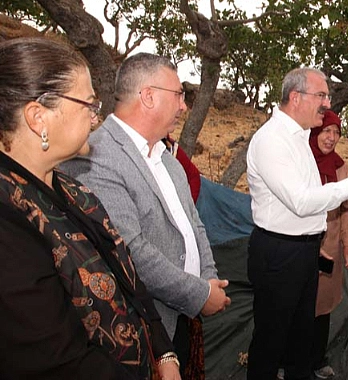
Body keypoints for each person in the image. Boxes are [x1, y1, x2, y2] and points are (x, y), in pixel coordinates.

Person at [0, 37, 179, 379]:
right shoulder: (7, 213)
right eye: (88, 105)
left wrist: (164, 349)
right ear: (38, 117)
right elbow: (56, 358)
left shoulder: (73, 189)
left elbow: (128, 277)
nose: (96, 119)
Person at [60, 52, 231, 376]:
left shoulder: (168, 160)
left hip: (181, 318)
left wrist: (208, 278)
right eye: (178, 95)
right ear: (148, 96)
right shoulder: (97, 158)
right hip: (138, 330)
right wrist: (200, 293)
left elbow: (195, 225)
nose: (183, 106)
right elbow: (130, 252)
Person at [245, 67, 348, 380]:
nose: (327, 102)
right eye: (321, 95)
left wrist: (317, 246)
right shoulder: (272, 140)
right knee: (271, 345)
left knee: (300, 342)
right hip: (279, 253)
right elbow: (302, 202)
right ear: (296, 97)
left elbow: (313, 203)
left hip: (303, 252)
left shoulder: (298, 138)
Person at [311, 110, 348, 379]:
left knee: (323, 307)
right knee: (298, 305)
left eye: (336, 132)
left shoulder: (340, 167)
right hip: (303, 246)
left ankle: (316, 361)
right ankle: (286, 362)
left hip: (329, 250)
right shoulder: (302, 160)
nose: (331, 138)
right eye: (327, 131)